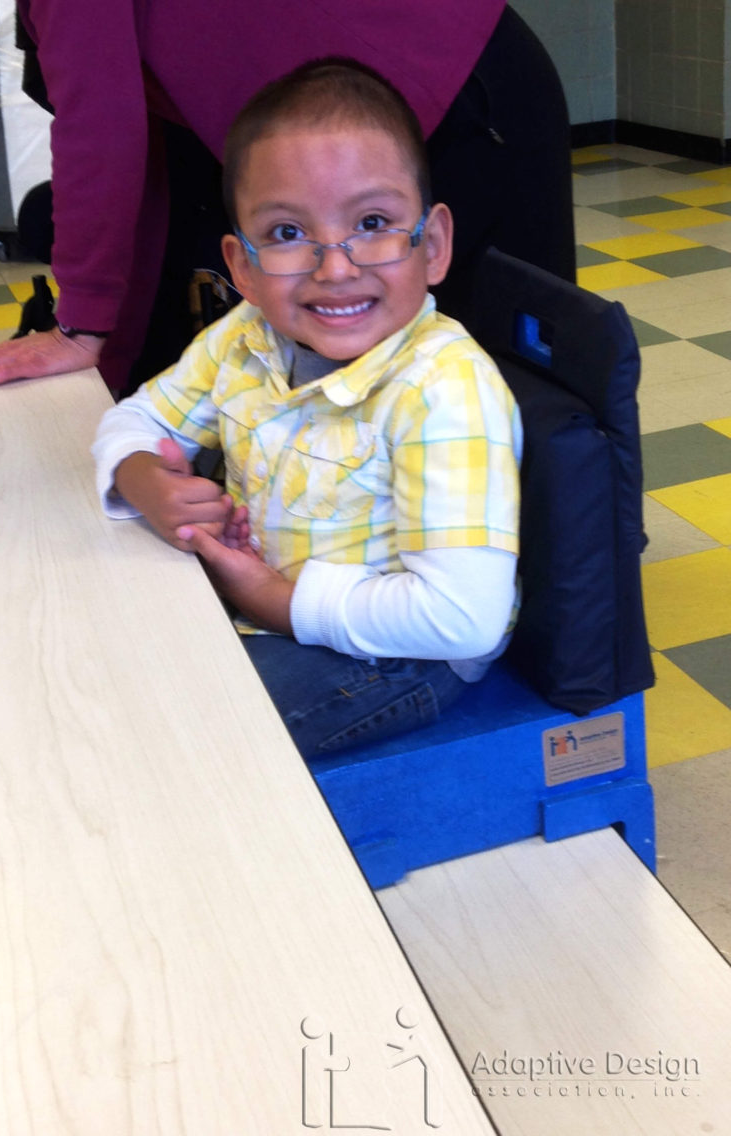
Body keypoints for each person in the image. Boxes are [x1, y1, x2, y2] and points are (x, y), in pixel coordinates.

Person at [92, 58, 522, 760]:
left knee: (163, 741)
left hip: (393, 660)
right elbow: (136, 418)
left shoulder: (444, 388)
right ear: (242, 265)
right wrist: (144, 477)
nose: (335, 267)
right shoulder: (246, 335)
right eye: (288, 233)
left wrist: (271, 598)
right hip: (263, 610)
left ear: (434, 245)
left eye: (373, 222)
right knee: (103, 671)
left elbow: (463, 620)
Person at [0, 1, 573, 395]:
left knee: (504, 386)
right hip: (370, 103)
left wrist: (81, 327)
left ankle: (550, 576)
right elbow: (143, 155)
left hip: (457, 86)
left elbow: (101, 122)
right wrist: (100, 337)